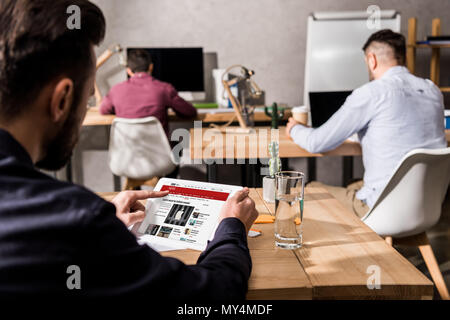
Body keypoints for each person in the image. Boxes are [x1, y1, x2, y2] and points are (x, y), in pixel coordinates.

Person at [0, 0, 258, 300]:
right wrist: (231, 226)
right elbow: (213, 295)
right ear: (62, 100)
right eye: (85, 100)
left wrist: (105, 229)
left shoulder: (71, 222)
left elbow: (106, 108)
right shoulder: (74, 220)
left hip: (123, 164)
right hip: (163, 165)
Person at [286, 29, 447, 218]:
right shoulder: (432, 90)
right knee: (356, 183)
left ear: (372, 59)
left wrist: (295, 128)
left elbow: (316, 143)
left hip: (383, 211)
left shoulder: (372, 93)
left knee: (311, 189)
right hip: (427, 209)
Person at [99, 49, 197, 138]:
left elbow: (103, 110)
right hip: (158, 154)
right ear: (151, 67)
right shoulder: (164, 89)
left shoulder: (116, 90)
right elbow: (190, 112)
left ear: (128, 70)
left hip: (127, 154)